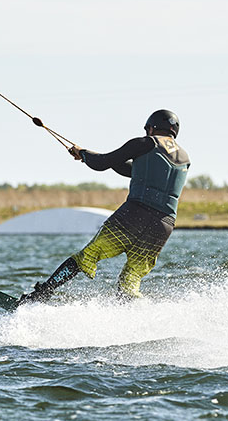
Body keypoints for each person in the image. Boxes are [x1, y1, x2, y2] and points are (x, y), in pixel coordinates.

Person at [18, 109, 191, 304]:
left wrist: (83, 154)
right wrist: (90, 156)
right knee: (130, 280)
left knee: (86, 256)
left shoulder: (145, 143)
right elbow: (132, 169)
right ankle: (136, 315)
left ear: (151, 128)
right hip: (163, 226)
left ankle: (40, 296)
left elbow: (102, 163)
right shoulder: (185, 158)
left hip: (134, 215)